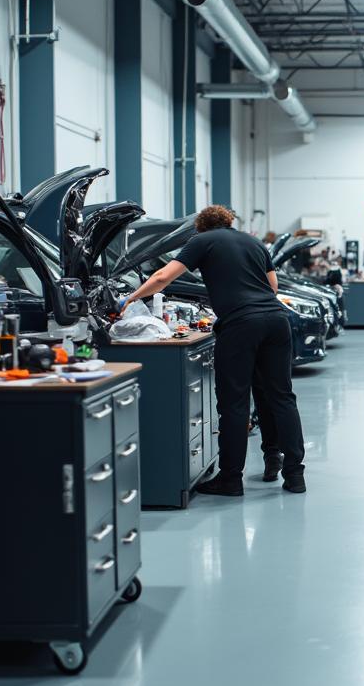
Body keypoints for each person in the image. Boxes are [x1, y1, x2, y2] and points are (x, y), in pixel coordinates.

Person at [122, 205, 307, 497]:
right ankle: (293, 474)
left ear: (201, 226)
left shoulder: (201, 241)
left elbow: (161, 278)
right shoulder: (254, 242)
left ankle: (231, 479)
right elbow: (272, 285)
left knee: (234, 403)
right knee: (281, 397)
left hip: (240, 325)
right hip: (276, 321)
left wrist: (129, 300)